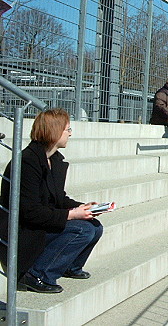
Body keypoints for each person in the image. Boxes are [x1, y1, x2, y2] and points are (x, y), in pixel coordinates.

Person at [0, 109, 103, 293]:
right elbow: (30, 212)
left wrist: (82, 207)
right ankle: (36, 274)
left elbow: (58, 198)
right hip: (24, 231)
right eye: (68, 129)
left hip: (40, 223)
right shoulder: (28, 162)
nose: (70, 134)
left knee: (95, 226)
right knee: (82, 229)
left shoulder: (54, 160)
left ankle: (70, 266)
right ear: (54, 131)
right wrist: (71, 215)